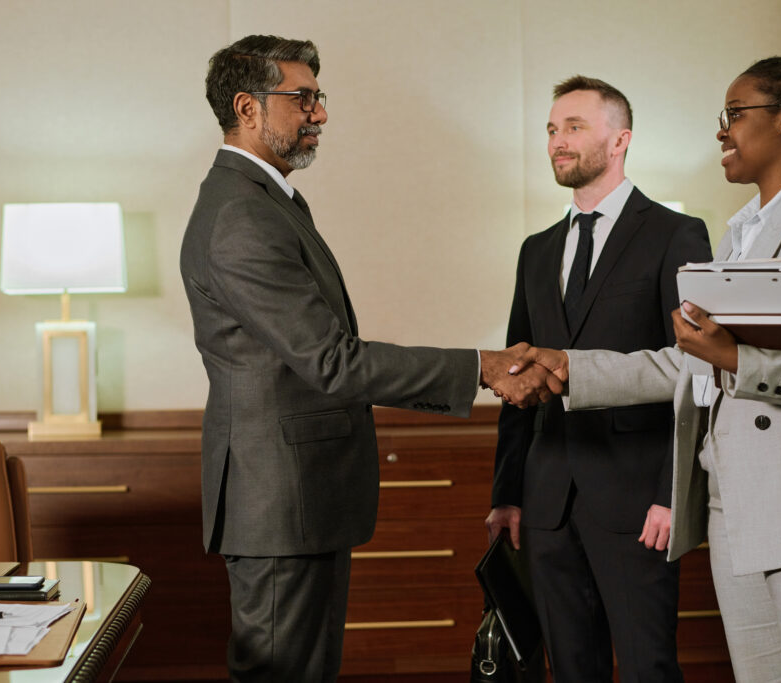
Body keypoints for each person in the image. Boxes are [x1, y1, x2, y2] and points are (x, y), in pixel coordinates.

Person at [511, 44, 781, 682]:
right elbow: (689, 367)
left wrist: (736, 357)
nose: (721, 130)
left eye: (734, 112)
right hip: (740, 511)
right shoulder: (738, 233)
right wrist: (571, 367)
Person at [179, 35, 557, 682]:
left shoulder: (265, 201)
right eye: (303, 99)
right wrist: (482, 367)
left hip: (300, 503)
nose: (320, 114)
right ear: (247, 107)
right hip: (279, 509)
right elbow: (331, 361)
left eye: (318, 98)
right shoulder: (241, 214)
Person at [485, 76, 711, 682]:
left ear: (620, 140)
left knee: (647, 667)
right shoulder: (536, 250)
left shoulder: (675, 234)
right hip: (547, 501)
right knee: (571, 670)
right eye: (553, 129)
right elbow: (517, 378)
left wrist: (674, 492)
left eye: (575, 127)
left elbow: (696, 370)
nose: (558, 141)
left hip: (640, 501)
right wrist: (507, 492)